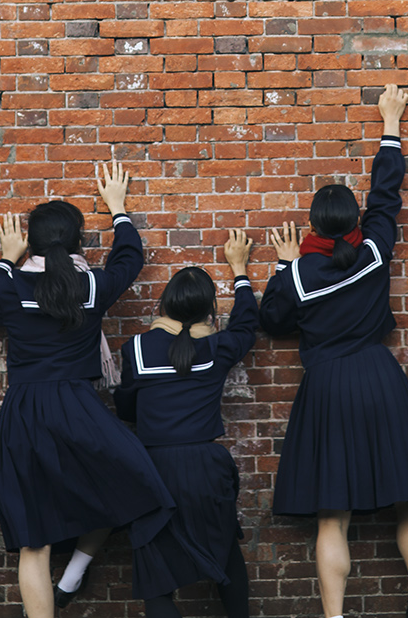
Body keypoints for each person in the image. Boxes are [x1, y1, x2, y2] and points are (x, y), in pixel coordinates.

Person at [259, 84, 408, 618]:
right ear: (354, 223)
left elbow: (272, 323)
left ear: (313, 226)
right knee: (407, 495)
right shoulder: (371, 252)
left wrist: (281, 266)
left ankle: (336, 615)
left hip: (326, 387)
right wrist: (390, 125)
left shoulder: (298, 273)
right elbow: (386, 196)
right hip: (378, 376)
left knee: (332, 514)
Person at [0, 155, 178, 618]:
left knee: (33, 543)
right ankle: (77, 570)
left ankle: (67, 578)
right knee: (120, 485)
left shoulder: (11, 287)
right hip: (78, 408)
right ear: (79, 240)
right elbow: (130, 258)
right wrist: (119, 207)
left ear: (31, 242)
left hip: (24, 412)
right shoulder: (92, 287)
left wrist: (5, 258)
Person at [114, 229, 258, 618]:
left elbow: (126, 407)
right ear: (209, 309)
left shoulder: (137, 349)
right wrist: (240, 271)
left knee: (156, 575)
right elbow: (247, 325)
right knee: (226, 556)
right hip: (205, 467)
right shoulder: (218, 347)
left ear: (164, 303)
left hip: (153, 468)